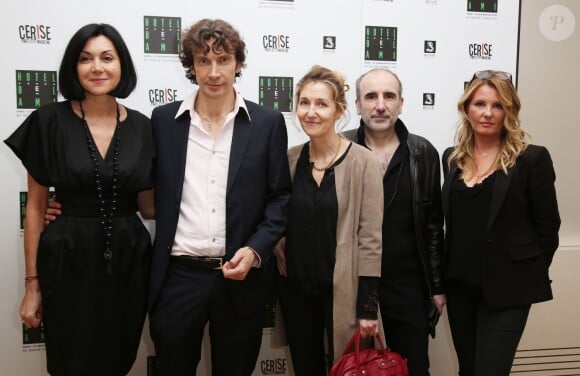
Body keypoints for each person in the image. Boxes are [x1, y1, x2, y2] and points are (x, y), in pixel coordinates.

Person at [4, 23, 154, 375]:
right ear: (73, 66)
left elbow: (149, 205)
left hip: (129, 260)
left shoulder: (144, 127)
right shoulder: (47, 121)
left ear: (122, 65)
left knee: (119, 357)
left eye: (107, 57)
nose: (97, 67)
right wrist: (32, 285)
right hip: (65, 257)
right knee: (69, 359)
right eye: (85, 59)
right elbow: (37, 207)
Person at [147, 19, 291, 375]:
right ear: (191, 65)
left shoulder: (268, 122)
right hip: (178, 276)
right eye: (203, 60)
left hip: (240, 280)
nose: (213, 72)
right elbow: (138, 180)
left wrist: (255, 249)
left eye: (223, 59)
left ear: (238, 63)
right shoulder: (163, 121)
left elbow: (280, 199)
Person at [442, 70, 560, 375]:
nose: (487, 113)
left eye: (498, 105)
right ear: (466, 108)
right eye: (480, 104)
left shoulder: (531, 159)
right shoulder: (452, 159)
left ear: (509, 111)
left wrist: (523, 271)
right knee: (468, 369)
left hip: (508, 291)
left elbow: (548, 228)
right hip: (460, 288)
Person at [274, 65, 384, 374]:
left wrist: (367, 308)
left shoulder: (363, 162)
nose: (311, 112)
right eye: (304, 102)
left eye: (321, 104)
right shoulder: (290, 158)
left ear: (339, 110)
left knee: (345, 369)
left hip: (343, 294)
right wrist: (277, 245)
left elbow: (371, 240)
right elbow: (276, 212)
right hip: (296, 293)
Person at [342, 68, 445, 376]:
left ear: (401, 103)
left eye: (389, 96)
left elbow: (432, 226)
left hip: (408, 288)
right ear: (357, 105)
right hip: (354, 286)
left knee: (413, 369)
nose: (380, 105)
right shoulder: (342, 149)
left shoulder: (423, 152)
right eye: (371, 96)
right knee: (355, 369)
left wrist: (437, 289)